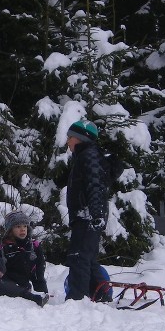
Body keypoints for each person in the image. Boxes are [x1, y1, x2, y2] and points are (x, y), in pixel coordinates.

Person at [63, 120, 110, 301]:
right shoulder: (85, 156)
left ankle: (77, 298)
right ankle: (101, 294)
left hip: (88, 214)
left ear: (81, 138)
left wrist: (95, 213)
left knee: (79, 256)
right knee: (87, 258)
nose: (68, 142)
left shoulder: (88, 156)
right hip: (86, 214)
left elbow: (95, 186)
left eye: (71, 137)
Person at [0, 210, 48, 296]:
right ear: (10, 230)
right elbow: (0, 269)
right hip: (9, 286)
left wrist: (42, 291)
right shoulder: (4, 247)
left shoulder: (33, 246)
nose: (22, 229)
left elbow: (39, 269)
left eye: (25, 226)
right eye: (18, 226)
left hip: (27, 282)